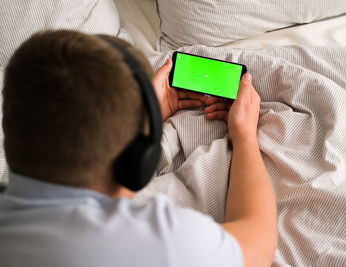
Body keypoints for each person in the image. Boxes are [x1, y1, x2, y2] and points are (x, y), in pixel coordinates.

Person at [0, 30, 277, 267]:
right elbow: (258, 243)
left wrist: (146, 115)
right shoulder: (162, 243)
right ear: (138, 162)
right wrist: (244, 136)